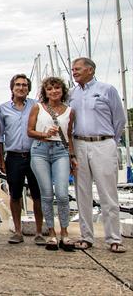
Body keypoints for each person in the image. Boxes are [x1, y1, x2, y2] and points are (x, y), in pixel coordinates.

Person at [69, 57, 127, 253]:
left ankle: (113, 238)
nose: (74, 72)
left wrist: (110, 141)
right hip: (79, 143)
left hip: (103, 143)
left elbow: (119, 119)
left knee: (107, 193)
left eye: (77, 69)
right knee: (82, 192)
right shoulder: (72, 93)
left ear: (90, 70)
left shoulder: (107, 90)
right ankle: (86, 236)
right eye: (73, 69)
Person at [27, 76, 76, 251]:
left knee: (62, 194)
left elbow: (69, 136)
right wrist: (44, 134)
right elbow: (30, 131)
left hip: (60, 151)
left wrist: (72, 156)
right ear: (45, 92)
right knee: (46, 193)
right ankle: (51, 233)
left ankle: (65, 232)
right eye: (50, 89)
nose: (54, 91)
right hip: (40, 149)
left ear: (62, 91)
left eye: (57, 88)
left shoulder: (70, 111)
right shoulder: (37, 108)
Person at [0, 74, 44, 245]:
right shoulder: (3, 109)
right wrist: (1, 160)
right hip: (14, 156)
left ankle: (39, 231)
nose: (21, 88)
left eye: (24, 85)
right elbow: (0, 136)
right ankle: (17, 231)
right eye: (18, 85)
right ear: (12, 88)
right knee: (15, 194)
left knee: (38, 195)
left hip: (35, 155)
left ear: (28, 88)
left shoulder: (37, 106)